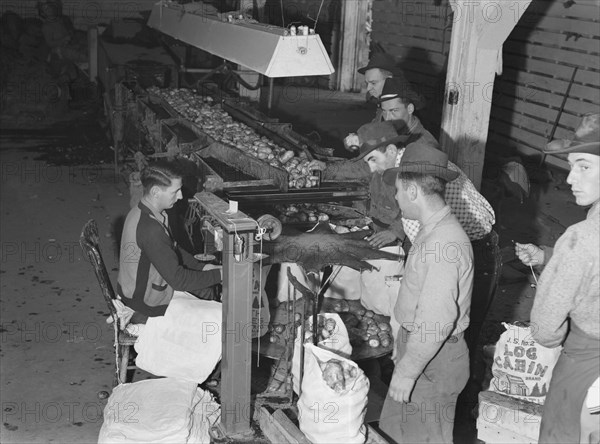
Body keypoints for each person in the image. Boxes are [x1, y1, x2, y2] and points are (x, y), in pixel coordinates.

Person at [379, 141, 473, 443]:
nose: (395, 196)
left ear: (413, 191)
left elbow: (437, 319)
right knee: (395, 433)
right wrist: (403, 345)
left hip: (435, 359)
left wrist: (408, 370)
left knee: (423, 437)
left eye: (397, 190)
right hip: (420, 350)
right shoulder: (431, 228)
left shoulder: (443, 243)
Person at [515, 113, 599, 444]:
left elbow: (546, 329)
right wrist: (549, 256)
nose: (570, 178)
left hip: (586, 363)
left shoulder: (582, 236)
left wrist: (560, 262)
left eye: (584, 166)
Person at [117, 161, 222, 321]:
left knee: (208, 287)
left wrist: (203, 267)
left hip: (140, 289)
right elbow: (179, 280)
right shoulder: (150, 229)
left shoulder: (144, 211)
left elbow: (173, 249)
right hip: (144, 303)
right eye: (176, 191)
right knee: (216, 314)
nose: (180, 196)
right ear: (156, 192)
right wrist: (222, 274)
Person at [343, 52, 424, 151]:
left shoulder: (402, 107)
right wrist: (357, 138)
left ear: (389, 80)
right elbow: (376, 127)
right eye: (367, 83)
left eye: (373, 83)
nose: (368, 88)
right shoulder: (381, 104)